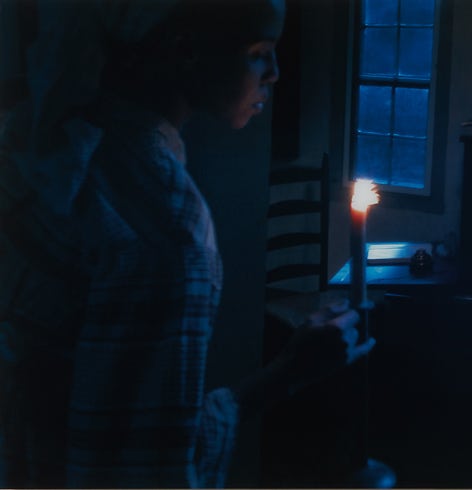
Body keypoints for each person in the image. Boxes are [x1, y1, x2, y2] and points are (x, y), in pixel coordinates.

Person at [0, 0, 375, 487]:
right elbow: (145, 470)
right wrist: (288, 373)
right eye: (259, 52)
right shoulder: (167, 230)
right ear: (185, 50)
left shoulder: (51, 151)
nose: (276, 73)